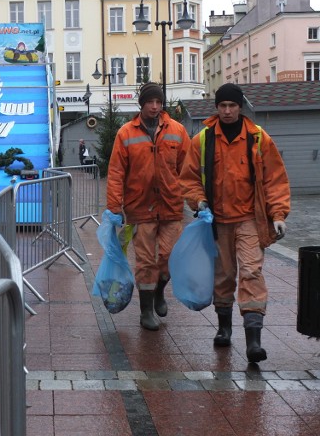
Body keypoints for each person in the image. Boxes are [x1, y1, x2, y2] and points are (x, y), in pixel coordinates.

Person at [180, 83, 290, 363]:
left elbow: (275, 179)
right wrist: (198, 201)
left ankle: (254, 341)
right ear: (216, 108)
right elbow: (189, 178)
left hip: (249, 220)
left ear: (240, 107)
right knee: (224, 276)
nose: (227, 111)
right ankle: (224, 329)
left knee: (252, 273)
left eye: (232, 106)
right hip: (218, 222)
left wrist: (278, 215)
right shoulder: (203, 139)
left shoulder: (258, 138)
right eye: (223, 106)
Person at [106, 82, 190, 330]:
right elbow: (116, 172)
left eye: (158, 102)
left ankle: (159, 291)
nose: (154, 106)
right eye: (150, 102)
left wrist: (198, 201)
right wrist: (114, 206)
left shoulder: (177, 131)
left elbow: (188, 170)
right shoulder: (126, 133)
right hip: (140, 208)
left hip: (171, 205)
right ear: (141, 104)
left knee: (169, 257)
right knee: (145, 261)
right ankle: (145, 312)